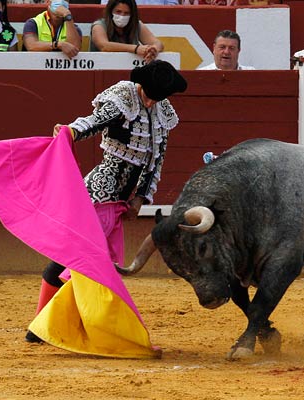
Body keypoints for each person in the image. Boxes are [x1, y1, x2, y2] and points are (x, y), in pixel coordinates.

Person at [26, 60, 187, 343]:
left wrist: (141, 197)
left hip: (120, 201)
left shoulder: (162, 110)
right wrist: (71, 131)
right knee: (79, 259)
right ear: (141, 86)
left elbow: (156, 160)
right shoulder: (124, 97)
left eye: (157, 97)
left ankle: (51, 326)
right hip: (100, 192)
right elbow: (93, 122)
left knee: (84, 260)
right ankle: (41, 327)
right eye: (149, 95)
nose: (151, 102)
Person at [90, 0, 163, 62]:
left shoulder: (136, 25)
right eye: (118, 12)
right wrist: (135, 49)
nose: (122, 16)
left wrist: (153, 49)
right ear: (110, 11)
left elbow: (158, 43)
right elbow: (104, 46)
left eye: (126, 13)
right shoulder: (99, 25)